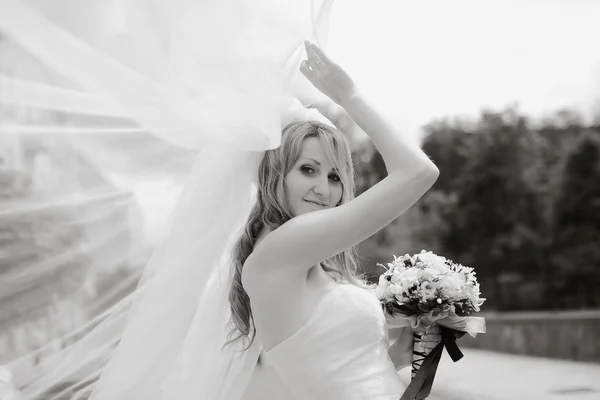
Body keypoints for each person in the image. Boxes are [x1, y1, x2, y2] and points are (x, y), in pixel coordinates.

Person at [229, 41, 440, 399]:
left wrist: (397, 357)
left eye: (335, 176)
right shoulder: (284, 247)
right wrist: (350, 95)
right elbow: (419, 171)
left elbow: (329, 377)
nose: (324, 190)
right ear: (274, 174)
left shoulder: (303, 262)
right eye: (307, 169)